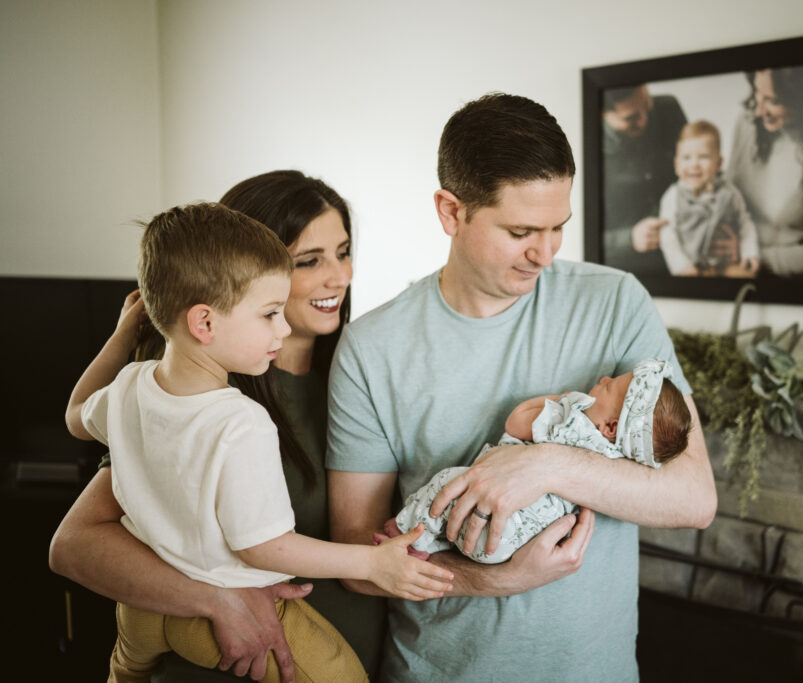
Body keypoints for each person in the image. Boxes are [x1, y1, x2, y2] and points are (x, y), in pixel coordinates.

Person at [326, 92, 717, 682]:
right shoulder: (372, 349)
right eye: (520, 230)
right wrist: (498, 579)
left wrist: (546, 466)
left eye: (558, 226)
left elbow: (694, 498)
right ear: (450, 212)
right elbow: (358, 559)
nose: (546, 253)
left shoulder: (615, 302)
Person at [64, 203, 452, 682]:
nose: (282, 327)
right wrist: (372, 562)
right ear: (204, 323)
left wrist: (123, 335)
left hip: (138, 617)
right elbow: (261, 547)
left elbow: (76, 417)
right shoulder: (242, 421)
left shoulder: (130, 387)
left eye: (343, 252)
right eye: (270, 313)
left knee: (124, 672)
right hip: (212, 620)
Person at [383, 359, 691, 564]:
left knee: (447, 482)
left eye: (609, 387)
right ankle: (435, 544)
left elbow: (516, 422)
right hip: (513, 546)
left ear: (610, 427)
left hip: (491, 521)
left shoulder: (572, 422)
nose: (604, 378)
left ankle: (407, 533)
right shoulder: (613, 461)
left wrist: (558, 399)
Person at [725, 67, 803, 276]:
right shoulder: (747, 123)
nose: (758, 110)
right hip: (735, 265)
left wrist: (754, 257)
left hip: (786, 275)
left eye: (773, 101)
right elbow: (729, 194)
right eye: (757, 92)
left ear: (801, 101)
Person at [600, 84, 687, 276]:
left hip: (687, 251)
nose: (644, 120)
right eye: (631, 117)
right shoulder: (583, 147)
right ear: (603, 114)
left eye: (647, 105)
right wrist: (630, 239)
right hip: (630, 270)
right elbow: (580, 235)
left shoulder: (669, 109)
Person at [658, 119, 760, 277]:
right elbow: (667, 235)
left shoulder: (730, 192)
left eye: (703, 157)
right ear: (677, 165)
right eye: (686, 158)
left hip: (726, 264)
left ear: (718, 163)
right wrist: (681, 266)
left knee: (746, 278)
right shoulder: (673, 196)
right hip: (692, 267)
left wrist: (749, 252)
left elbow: (745, 223)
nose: (694, 165)